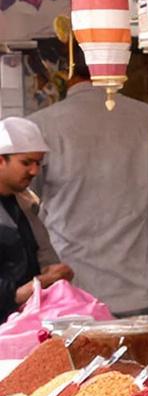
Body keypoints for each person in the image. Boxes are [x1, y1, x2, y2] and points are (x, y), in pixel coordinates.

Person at [29, 57, 148, 314]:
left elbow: (25, 213)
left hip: (70, 298)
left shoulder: (39, 126)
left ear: (66, 73)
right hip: (141, 291)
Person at [0, 117, 70, 321]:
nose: (34, 171)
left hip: (25, 323)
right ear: (1, 160)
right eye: (26, 162)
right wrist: (35, 285)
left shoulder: (25, 203)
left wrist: (54, 274)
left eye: (38, 163)